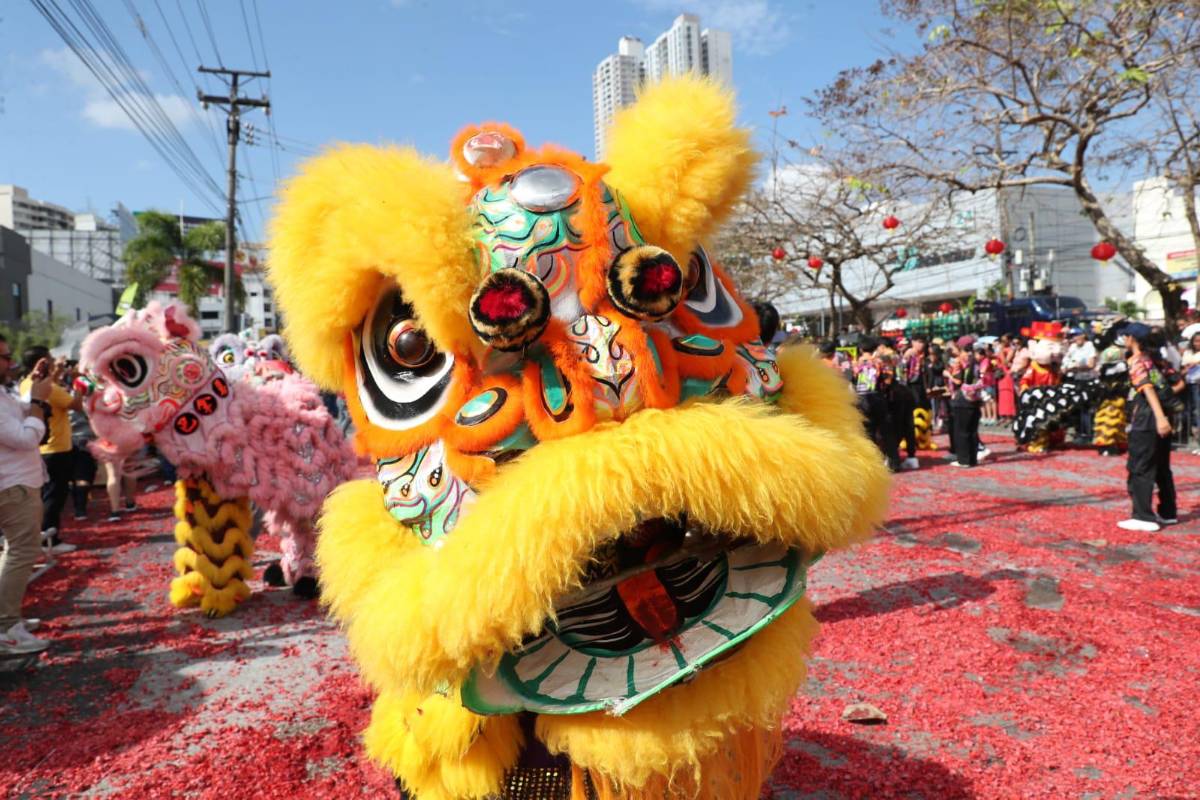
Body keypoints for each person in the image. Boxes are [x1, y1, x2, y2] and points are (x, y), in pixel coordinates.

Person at [0, 336, 54, 656]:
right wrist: (39, 404)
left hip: (18, 484)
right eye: (5, 358)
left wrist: (33, 390)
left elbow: (18, 414)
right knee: (21, 552)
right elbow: (25, 437)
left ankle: (9, 620)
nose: (11, 363)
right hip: (12, 486)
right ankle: (6, 628)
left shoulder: (3, 393)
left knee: (15, 552)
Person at [19, 349, 82, 554]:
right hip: (57, 448)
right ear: (43, 362)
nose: (56, 362)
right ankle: (50, 541)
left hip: (41, 448)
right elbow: (76, 405)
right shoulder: (51, 389)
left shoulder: (26, 384)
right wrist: (78, 383)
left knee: (45, 495)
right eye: (52, 360)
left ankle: (43, 537)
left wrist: (57, 373)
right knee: (54, 496)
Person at [1119, 324, 1180, 532]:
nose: (1124, 340)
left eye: (1126, 336)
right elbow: (1178, 383)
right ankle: (1168, 512)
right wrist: (1164, 414)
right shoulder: (1157, 361)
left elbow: (1147, 388)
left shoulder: (1137, 360)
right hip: (1163, 417)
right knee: (1162, 467)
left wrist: (1159, 417)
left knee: (1140, 467)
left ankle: (1143, 516)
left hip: (1146, 420)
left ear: (1132, 339)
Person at [946, 339, 985, 467]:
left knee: (961, 431)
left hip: (962, 400)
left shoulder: (961, 364)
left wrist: (949, 375)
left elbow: (957, 382)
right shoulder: (976, 364)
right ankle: (972, 459)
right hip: (974, 399)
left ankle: (964, 460)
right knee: (972, 431)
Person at [1063, 328, 1099, 444]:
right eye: (1073, 336)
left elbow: (1091, 364)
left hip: (1087, 380)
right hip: (1075, 380)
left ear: (1083, 335)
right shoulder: (1072, 347)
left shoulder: (1089, 346)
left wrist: (1076, 367)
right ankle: (1078, 433)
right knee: (1075, 408)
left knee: (1086, 409)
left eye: (1076, 335)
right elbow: (1065, 363)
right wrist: (1068, 367)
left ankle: (1087, 435)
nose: (1074, 338)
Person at [1180, 332, 1200, 449]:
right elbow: (1183, 367)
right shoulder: (1188, 353)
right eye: (1196, 341)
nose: (1198, 343)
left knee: (1198, 410)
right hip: (1187, 383)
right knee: (1188, 409)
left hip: (1198, 384)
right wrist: (1188, 367)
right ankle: (1189, 433)